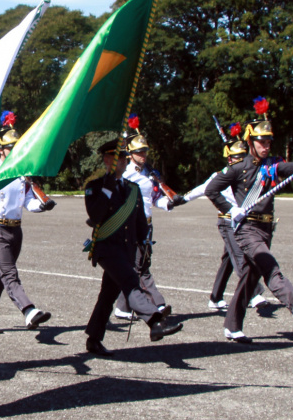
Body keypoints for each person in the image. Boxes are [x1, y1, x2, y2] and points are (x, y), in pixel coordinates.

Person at [204, 98, 293, 343]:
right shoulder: (238, 168)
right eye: (262, 142)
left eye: (269, 142)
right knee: (269, 267)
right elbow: (211, 190)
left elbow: (285, 168)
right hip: (247, 229)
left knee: (250, 277)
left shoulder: (271, 165)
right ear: (250, 142)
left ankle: (232, 326)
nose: (266, 146)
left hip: (266, 227)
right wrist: (230, 208)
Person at [83, 139, 183, 357]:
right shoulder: (95, 187)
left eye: (123, 158)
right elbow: (96, 216)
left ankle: (93, 339)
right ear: (106, 159)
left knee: (108, 295)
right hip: (106, 247)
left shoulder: (133, 189)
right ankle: (155, 322)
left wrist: (143, 244)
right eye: (116, 157)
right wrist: (108, 188)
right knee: (130, 282)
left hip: (126, 250)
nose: (121, 161)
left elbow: (139, 223)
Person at [0, 111, 56, 335]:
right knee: (9, 273)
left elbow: (27, 201)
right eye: (10, 147)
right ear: (0, 150)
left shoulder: (22, 174)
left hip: (15, 230)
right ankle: (28, 310)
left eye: (17, 147)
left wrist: (41, 207)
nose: (14, 151)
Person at [183, 130, 267, 311]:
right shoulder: (221, 175)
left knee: (228, 260)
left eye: (242, 156)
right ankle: (255, 293)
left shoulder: (248, 173)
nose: (239, 159)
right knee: (240, 256)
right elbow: (201, 189)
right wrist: (181, 199)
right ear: (229, 159)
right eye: (236, 156)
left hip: (243, 222)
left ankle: (215, 297)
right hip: (227, 221)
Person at [114, 115, 185, 321]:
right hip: (130, 226)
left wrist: (169, 203)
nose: (143, 155)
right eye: (138, 152)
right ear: (130, 154)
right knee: (140, 267)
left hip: (147, 224)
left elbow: (154, 198)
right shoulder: (126, 174)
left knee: (137, 266)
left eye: (144, 151)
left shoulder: (150, 173)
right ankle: (158, 304)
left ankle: (122, 307)